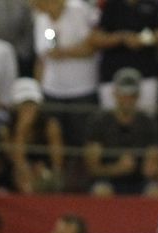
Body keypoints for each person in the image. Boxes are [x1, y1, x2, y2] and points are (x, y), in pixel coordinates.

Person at [32, 0, 109, 146]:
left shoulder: (79, 10)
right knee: (54, 137)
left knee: (85, 139)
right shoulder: (40, 18)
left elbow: (95, 45)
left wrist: (65, 53)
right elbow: (40, 59)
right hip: (52, 90)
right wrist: (38, 90)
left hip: (82, 90)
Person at [83, 66, 158, 195]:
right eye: (123, 94)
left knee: (157, 193)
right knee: (101, 192)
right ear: (115, 93)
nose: (127, 100)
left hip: (139, 181)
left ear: (138, 95)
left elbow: (154, 160)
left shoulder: (148, 123)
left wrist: (152, 168)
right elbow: (92, 167)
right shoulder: (99, 122)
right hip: (107, 180)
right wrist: (117, 169)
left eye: (131, 95)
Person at [96, 0, 158, 114]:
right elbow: (97, 38)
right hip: (113, 72)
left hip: (145, 72)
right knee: (110, 121)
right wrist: (121, 38)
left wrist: (141, 40)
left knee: (146, 119)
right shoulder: (111, 5)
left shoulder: (152, 4)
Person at [7, 76, 66, 191]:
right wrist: (21, 131)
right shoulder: (8, 127)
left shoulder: (50, 125)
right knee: (22, 179)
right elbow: (15, 160)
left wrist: (45, 172)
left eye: (32, 104)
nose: (28, 109)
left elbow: (58, 162)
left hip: (45, 169)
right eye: (24, 104)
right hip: (18, 171)